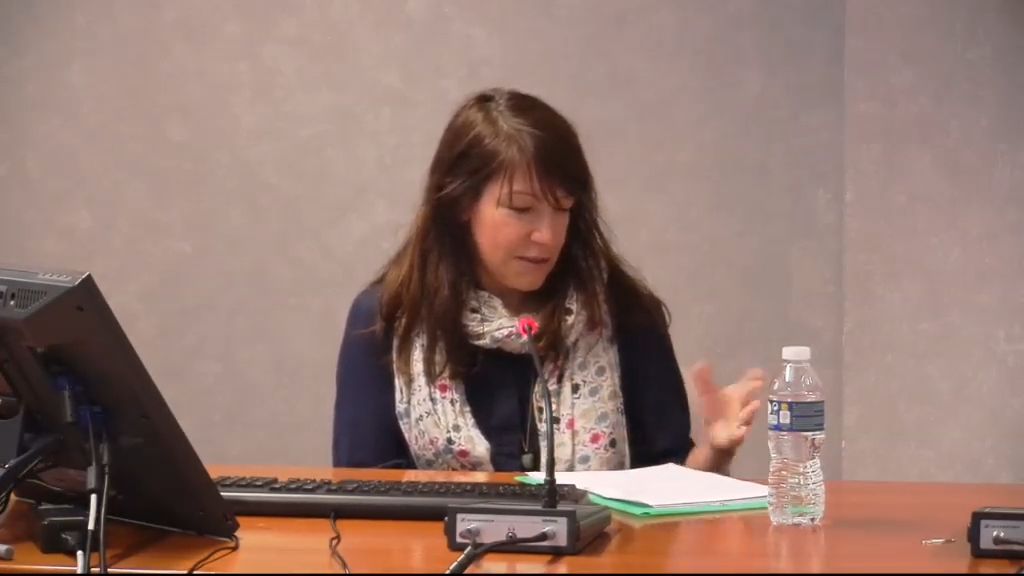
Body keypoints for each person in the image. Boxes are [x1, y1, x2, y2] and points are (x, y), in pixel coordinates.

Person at [332, 87, 764, 474]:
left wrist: (714, 451)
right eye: (522, 209)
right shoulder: (388, 317)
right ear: (461, 202)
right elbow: (363, 489)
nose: (547, 235)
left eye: (562, 210)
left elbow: (668, 487)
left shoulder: (624, 314)